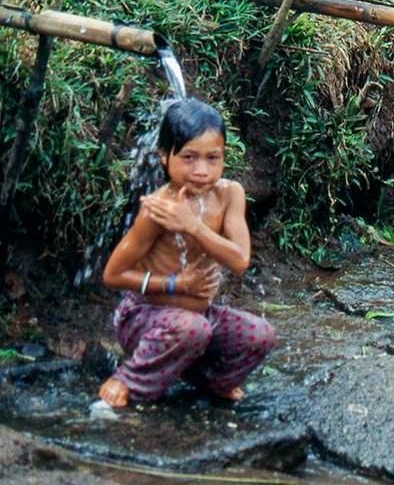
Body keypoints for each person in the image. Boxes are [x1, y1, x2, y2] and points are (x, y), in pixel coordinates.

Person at [98, 99, 275, 408]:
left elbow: (240, 261)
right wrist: (175, 285)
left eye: (212, 158)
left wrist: (193, 226)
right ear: (164, 157)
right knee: (193, 328)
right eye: (189, 158)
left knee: (260, 334)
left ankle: (210, 381)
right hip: (145, 316)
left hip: (198, 318)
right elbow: (113, 275)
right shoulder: (158, 209)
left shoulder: (230, 194)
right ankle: (128, 377)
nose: (202, 171)